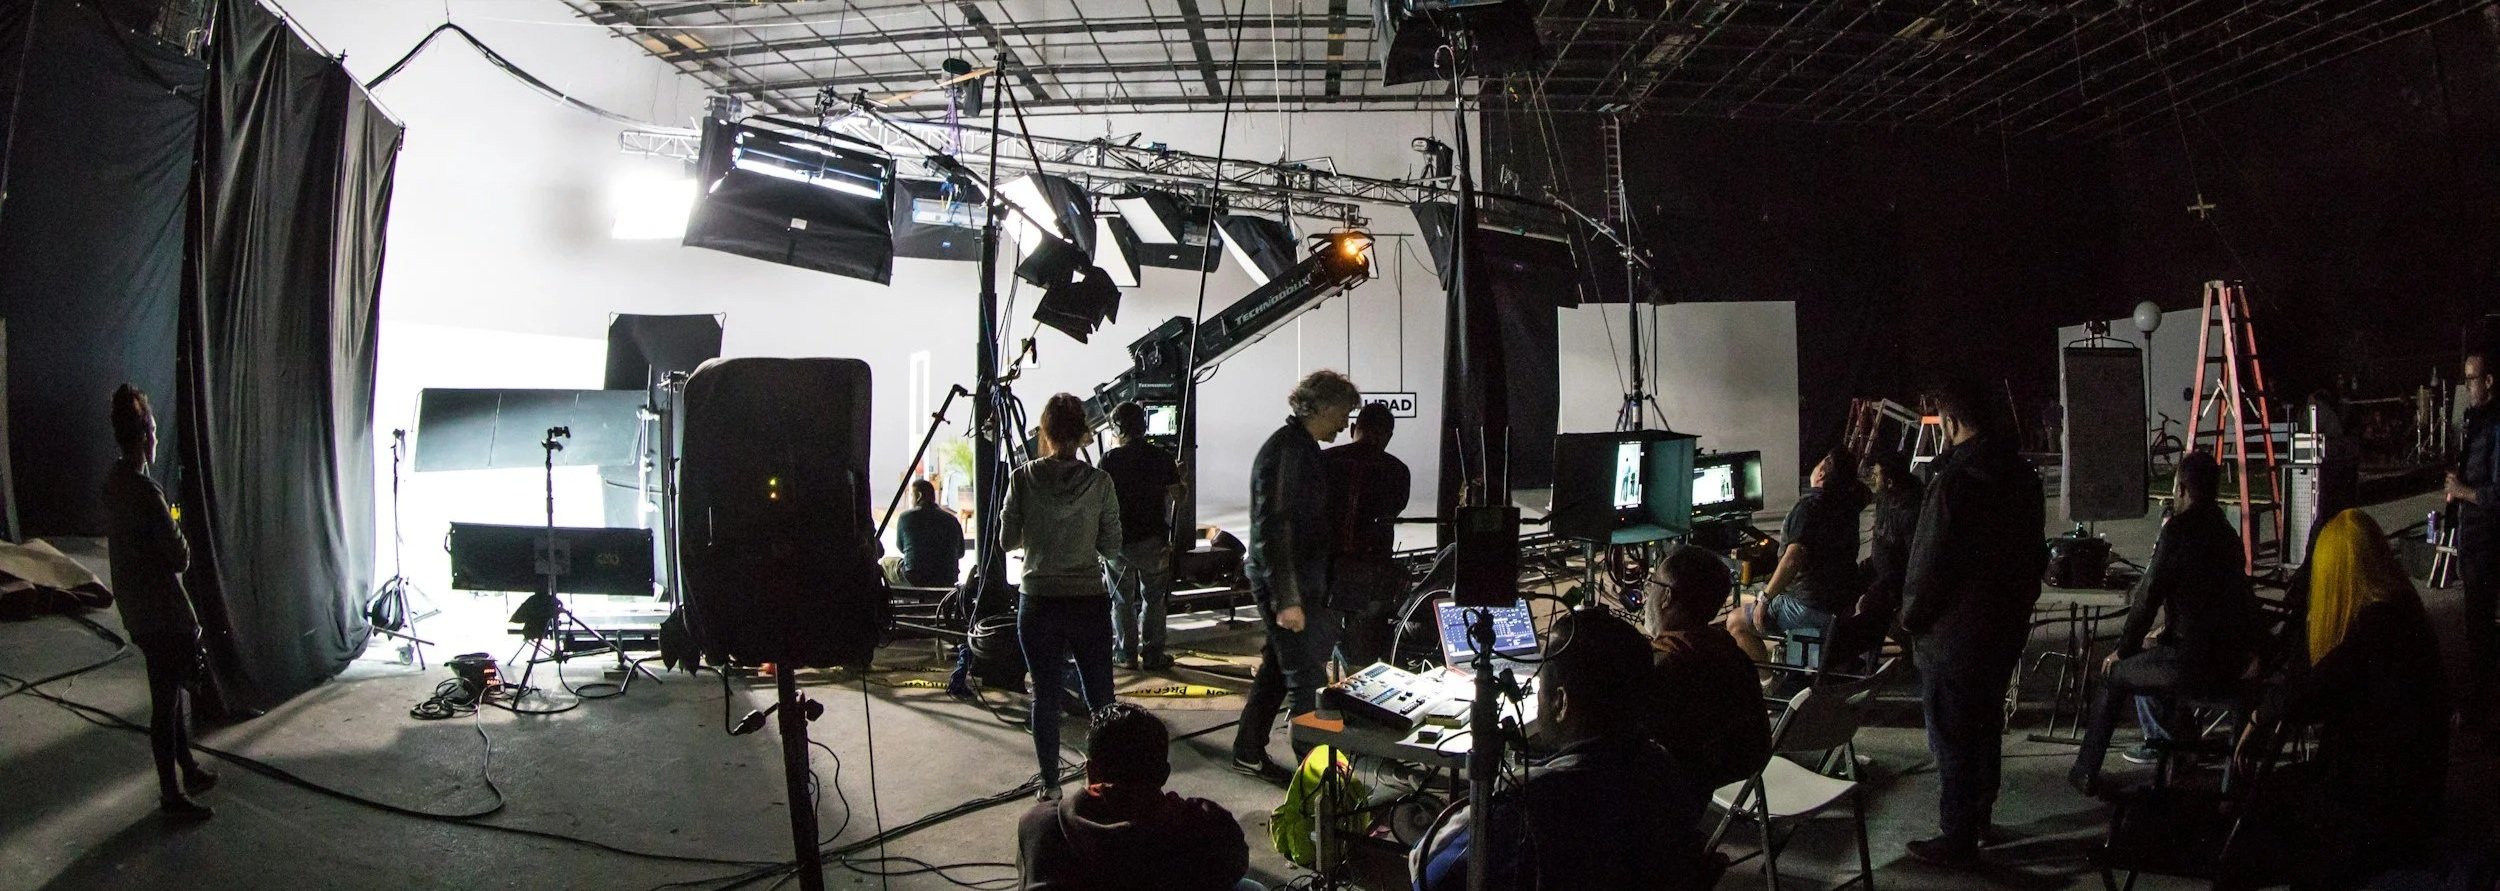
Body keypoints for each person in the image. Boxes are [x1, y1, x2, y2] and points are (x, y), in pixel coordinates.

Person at [2221, 509, 2449, 891]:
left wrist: (2260, 717)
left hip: (2384, 807)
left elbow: (2312, 688)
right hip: (2408, 796)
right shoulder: (2403, 615)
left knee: (2269, 808)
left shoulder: (2380, 628)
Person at [1411, 609, 1714, 891]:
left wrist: (1476, 811)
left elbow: (1429, 875)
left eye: (1541, 685)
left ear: (1561, 702)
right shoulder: (1667, 772)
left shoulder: (1531, 801)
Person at [1898, 379, 2046, 867]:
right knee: (1984, 727)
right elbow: (2033, 556)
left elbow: (1928, 562)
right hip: (2002, 629)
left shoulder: (1954, 482)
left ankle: (1957, 837)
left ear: (1953, 423)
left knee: (1953, 737)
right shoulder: (2021, 477)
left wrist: (1910, 619)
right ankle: (1979, 817)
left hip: (1952, 638)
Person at [2067, 451, 2254, 795]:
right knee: (2153, 652)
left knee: (2114, 675)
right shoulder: (2228, 535)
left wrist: (2123, 650)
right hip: (2229, 661)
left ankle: (2084, 773)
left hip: (2192, 664)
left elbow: (2147, 597)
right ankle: (2177, 751)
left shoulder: (2178, 531)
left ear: (2182, 489)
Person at [1230, 370, 1359, 781]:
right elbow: (1275, 526)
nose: (1346, 422)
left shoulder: (1298, 447)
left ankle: (1248, 751)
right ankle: (1320, 781)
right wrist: (1287, 599)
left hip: (1296, 581)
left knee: (1277, 669)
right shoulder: (1288, 452)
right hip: (1288, 585)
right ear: (1320, 407)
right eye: (1343, 412)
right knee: (1306, 679)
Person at [1001, 393, 1124, 799]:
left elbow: (1005, 541)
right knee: (1101, 696)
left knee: (1046, 695)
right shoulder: (1100, 483)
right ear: (1084, 433)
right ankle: (1106, 780)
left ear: (1045, 432)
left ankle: (1051, 784)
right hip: (1087, 598)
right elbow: (1110, 546)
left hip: (1038, 601)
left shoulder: (1022, 478)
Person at [104, 384, 217, 820]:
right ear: (146, 435)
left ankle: (186, 769)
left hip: (136, 610)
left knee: (169, 697)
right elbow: (180, 558)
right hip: (161, 615)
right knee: (165, 703)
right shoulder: (147, 494)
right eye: (152, 430)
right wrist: (173, 517)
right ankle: (171, 796)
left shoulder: (114, 484)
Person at [1018, 702, 1254, 891]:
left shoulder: (1040, 827)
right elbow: (1235, 866)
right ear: (1164, 774)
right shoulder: (1207, 825)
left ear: (1091, 771)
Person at [1642, 545, 1773, 792]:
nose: (1648, 593)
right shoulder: (1732, 654)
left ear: (1667, 597)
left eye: (1653, 584)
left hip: (1673, 800)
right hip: (1724, 781)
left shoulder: (1662, 668)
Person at [1727, 446, 1868, 675]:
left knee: (1735, 621)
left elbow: (1793, 559)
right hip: (1840, 603)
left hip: (1808, 606)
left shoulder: (1808, 506)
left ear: (1821, 473)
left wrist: (1765, 598)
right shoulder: (1849, 506)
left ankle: (1766, 682)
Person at [1320, 402, 1411, 667]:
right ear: (1389, 436)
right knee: (1364, 660)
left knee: (1317, 654)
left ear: (1352, 428)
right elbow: (1395, 507)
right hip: (1372, 576)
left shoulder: (1324, 461)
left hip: (1325, 573)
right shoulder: (1398, 471)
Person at [1098, 402, 1183, 671]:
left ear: (1118, 428)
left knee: (1122, 600)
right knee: (1154, 599)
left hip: (1118, 543)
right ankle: (1154, 654)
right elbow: (1180, 497)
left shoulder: (1109, 461)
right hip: (1153, 541)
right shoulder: (1161, 458)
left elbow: (1099, 502)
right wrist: (1182, 478)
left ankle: (1125, 655)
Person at [1830, 449, 1921, 670]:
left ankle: (1853, 654)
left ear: (1890, 481)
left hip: (1895, 580)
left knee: (1870, 606)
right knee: (1840, 586)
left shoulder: (1909, 511)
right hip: (1878, 568)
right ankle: (1837, 646)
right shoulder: (1884, 499)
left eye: (1877, 474)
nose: (1873, 478)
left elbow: (1911, 560)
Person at [2447, 339, 2497, 734]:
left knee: (2481, 631)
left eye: (2471, 379)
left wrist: (2464, 492)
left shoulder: (2497, 425)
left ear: (2490, 381)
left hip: (2487, 542)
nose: (2467, 387)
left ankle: (2480, 714)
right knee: (2474, 628)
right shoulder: (2473, 420)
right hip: (2471, 539)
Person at [896, 479, 965, 589]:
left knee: (887, 564)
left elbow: (901, 547)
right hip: (947, 578)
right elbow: (960, 553)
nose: (911, 500)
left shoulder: (905, 518)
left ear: (918, 496)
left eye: (911, 496)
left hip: (915, 578)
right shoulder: (952, 520)